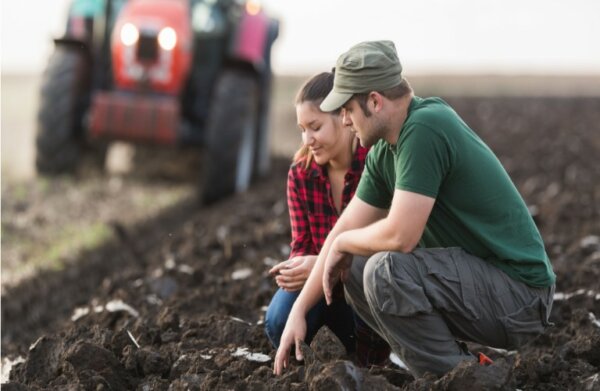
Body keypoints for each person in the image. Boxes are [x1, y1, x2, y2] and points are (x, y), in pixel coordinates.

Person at [274, 40, 556, 377]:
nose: (346, 121)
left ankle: (468, 380)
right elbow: (344, 229)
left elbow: (401, 235)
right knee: (357, 267)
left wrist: (341, 244)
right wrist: (299, 312)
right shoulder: (383, 152)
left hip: (521, 295)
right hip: (479, 284)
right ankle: (458, 369)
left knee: (384, 270)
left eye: (347, 109)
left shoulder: (425, 128)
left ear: (375, 102)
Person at [265, 71, 390, 366]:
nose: (307, 139)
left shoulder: (375, 164)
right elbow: (301, 244)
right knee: (278, 320)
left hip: (367, 289)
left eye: (315, 127)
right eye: (301, 129)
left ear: (344, 117)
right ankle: (317, 358)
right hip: (321, 290)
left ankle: (369, 360)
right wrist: (301, 265)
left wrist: (321, 264)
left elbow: (386, 244)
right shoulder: (300, 173)